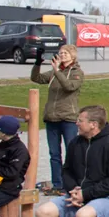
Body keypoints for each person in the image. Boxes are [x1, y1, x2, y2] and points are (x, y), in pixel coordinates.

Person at [31, 45, 84, 195]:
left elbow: (69, 87)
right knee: (54, 154)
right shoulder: (55, 72)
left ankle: (73, 183)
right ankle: (58, 184)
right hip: (52, 118)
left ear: (73, 56)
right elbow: (36, 78)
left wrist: (57, 70)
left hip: (68, 118)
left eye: (66, 53)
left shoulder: (77, 72)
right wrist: (37, 62)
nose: (63, 54)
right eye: (61, 53)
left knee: (71, 152)